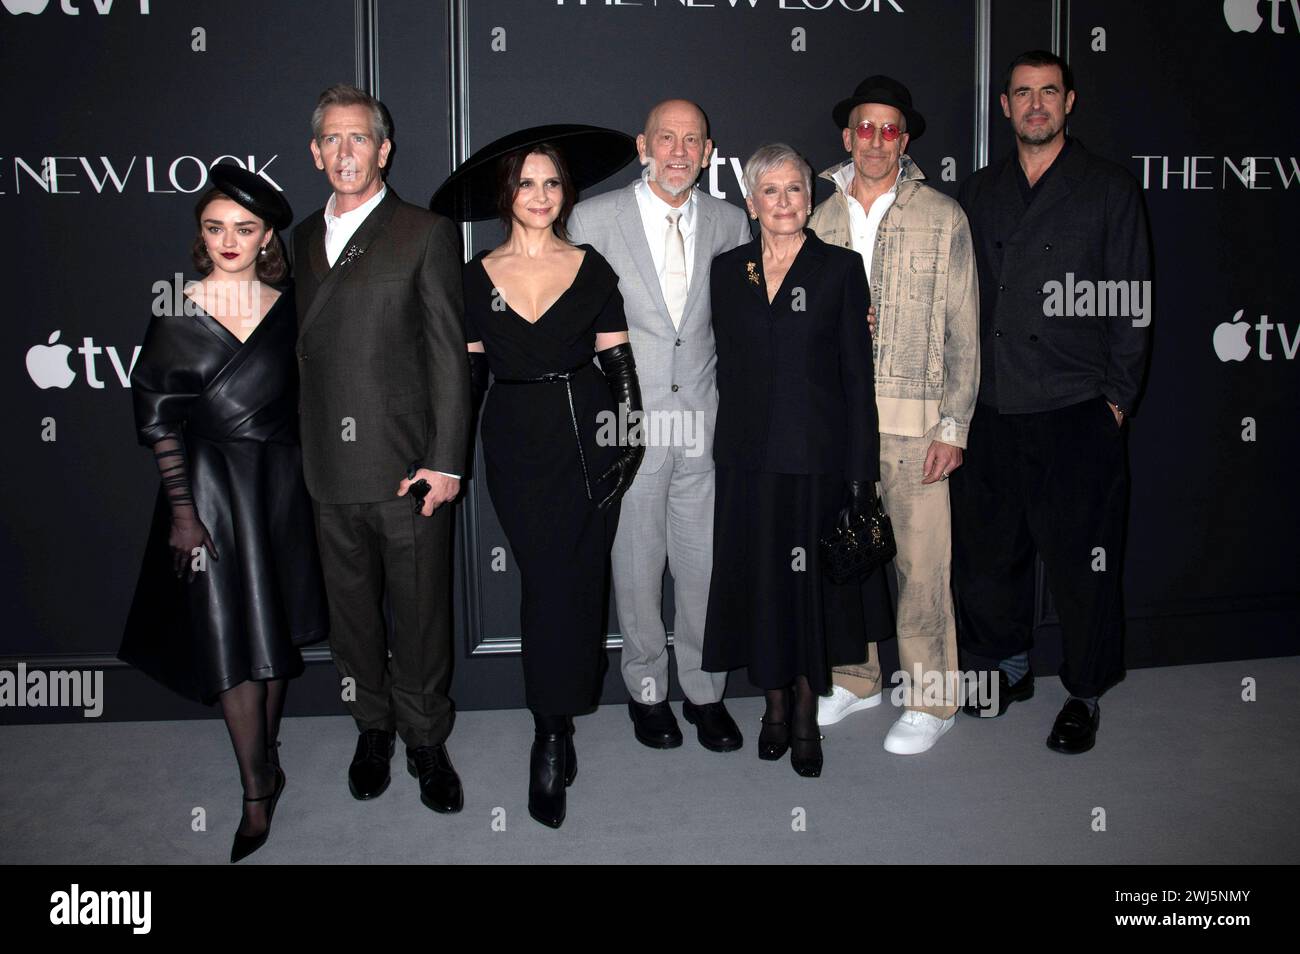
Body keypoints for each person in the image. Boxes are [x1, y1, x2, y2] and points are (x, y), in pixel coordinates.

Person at [434, 125, 644, 828]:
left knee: (577, 583)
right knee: (545, 583)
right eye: (526, 182)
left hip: (587, 436)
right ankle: (554, 722)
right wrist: (445, 457)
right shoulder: (473, 275)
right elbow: (465, 378)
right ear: (507, 193)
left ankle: (552, 733)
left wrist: (630, 446)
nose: (540, 195)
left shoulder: (592, 268)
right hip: (517, 442)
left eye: (552, 182)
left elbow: (619, 369)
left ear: (566, 192)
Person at [121, 164, 328, 863]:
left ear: (267, 234)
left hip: (279, 483)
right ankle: (254, 793)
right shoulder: (178, 307)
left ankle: (267, 757)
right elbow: (157, 419)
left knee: (269, 636)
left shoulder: (291, 303)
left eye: (244, 228)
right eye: (215, 228)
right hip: (208, 490)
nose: (229, 240)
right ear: (200, 234)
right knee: (228, 640)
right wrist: (183, 513)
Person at [953, 51, 1151, 752]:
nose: (1035, 105)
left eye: (1048, 93)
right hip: (991, 407)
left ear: (1070, 102)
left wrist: (1117, 402)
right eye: (1022, 94)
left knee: (1083, 563)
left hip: (1075, 408)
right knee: (987, 557)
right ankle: (1006, 668)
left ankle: (1085, 691)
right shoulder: (978, 192)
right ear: (1003, 107)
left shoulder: (1107, 187)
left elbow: (1131, 300)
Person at [294, 84, 471, 811]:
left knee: (422, 615)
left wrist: (447, 460)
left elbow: (449, 359)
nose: (345, 152)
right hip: (328, 471)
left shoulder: (423, 231)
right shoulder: (298, 239)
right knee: (353, 620)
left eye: (358, 139)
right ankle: (373, 728)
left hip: (408, 470)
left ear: (383, 148)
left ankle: (426, 739)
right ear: (315, 152)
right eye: (331, 140)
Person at [567, 99, 751, 754]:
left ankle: (705, 692)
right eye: (666, 138)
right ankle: (647, 692)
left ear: (707, 151)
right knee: (637, 570)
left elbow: (745, 324)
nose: (678, 151)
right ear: (644, 145)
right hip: (630, 426)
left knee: (704, 569)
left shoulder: (733, 222)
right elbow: (573, 322)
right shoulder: (594, 217)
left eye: (692, 140)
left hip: (703, 424)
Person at [702, 144, 884, 777]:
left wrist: (863, 472)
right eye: (770, 192)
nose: (784, 203)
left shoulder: (839, 269)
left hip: (817, 462)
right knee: (763, 587)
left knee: (808, 593)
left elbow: (857, 379)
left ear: (811, 199)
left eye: (796, 190)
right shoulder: (727, 272)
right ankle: (772, 708)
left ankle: (806, 716)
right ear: (750, 202)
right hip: (747, 463)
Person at [809, 75, 979, 755]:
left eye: (889, 128)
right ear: (846, 137)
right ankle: (855, 679)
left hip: (916, 422)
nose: (876, 139)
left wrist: (954, 426)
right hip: (836, 423)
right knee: (846, 560)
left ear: (903, 140)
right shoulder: (816, 219)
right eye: (864, 127)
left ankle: (933, 699)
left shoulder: (943, 216)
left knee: (921, 566)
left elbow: (964, 329)